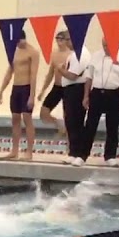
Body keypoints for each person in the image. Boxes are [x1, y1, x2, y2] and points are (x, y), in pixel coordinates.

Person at [77, 37, 119, 166]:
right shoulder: (96, 56)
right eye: (103, 45)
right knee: (90, 125)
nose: (105, 48)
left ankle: (110, 155)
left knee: (112, 126)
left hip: (115, 93)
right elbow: (89, 78)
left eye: (108, 45)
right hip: (97, 93)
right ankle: (82, 155)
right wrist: (86, 96)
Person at [38, 30, 86, 162]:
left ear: (66, 40)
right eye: (57, 38)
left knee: (69, 118)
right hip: (56, 86)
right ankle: (60, 125)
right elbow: (50, 74)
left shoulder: (71, 54)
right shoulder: (53, 54)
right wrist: (42, 90)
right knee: (43, 112)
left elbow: (74, 73)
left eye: (61, 38)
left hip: (68, 88)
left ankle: (71, 148)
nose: (59, 41)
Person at [0, 32, 40, 160]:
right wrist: (0, 92)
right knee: (15, 118)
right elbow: (9, 73)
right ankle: (14, 150)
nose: (18, 45)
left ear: (24, 39)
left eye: (19, 42)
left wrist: (32, 96)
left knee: (27, 119)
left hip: (27, 88)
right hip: (16, 88)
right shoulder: (14, 52)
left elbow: (34, 75)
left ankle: (29, 152)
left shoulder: (33, 52)